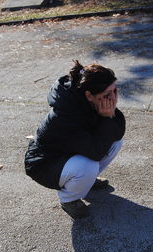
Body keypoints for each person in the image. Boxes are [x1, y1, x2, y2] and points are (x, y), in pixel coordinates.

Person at [24, 60, 125, 219]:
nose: (113, 98)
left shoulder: (93, 102)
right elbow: (96, 152)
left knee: (115, 142)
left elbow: (117, 133)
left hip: (69, 153)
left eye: (115, 91)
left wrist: (110, 115)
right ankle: (68, 199)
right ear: (89, 95)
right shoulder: (66, 114)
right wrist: (107, 118)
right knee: (88, 166)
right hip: (44, 164)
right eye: (107, 95)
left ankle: (85, 182)